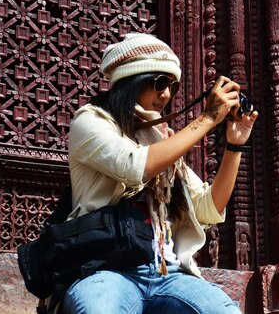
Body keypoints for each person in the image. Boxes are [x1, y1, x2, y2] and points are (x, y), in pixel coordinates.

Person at [62, 32, 258, 313]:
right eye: (159, 83)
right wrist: (207, 119)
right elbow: (134, 166)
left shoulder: (162, 138)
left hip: (167, 273)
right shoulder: (90, 121)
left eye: (172, 87)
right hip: (104, 269)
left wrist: (234, 146)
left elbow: (207, 208)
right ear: (131, 80)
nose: (166, 94)